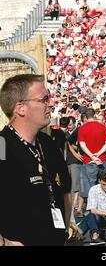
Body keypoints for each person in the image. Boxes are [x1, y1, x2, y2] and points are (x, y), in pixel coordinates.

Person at [0, 74, 72, 246]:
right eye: (44, 99)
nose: (50, 104)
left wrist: (65, 228)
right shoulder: (2, 145)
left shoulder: (48, 143)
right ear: (21, 108)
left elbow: (65, 193)